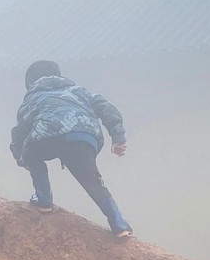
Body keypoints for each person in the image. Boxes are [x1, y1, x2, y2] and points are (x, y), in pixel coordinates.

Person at [10, 60, 133, 238]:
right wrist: (118, 137)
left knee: (31, 153)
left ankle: (43, 200)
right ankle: (120, 224)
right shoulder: (79, 91)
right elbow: (106, 108)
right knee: (91, 180)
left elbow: (20, 131)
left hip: (47, 137)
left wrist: (21, 157)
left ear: (30, 83)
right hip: (82, 137)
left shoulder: (32, 97)